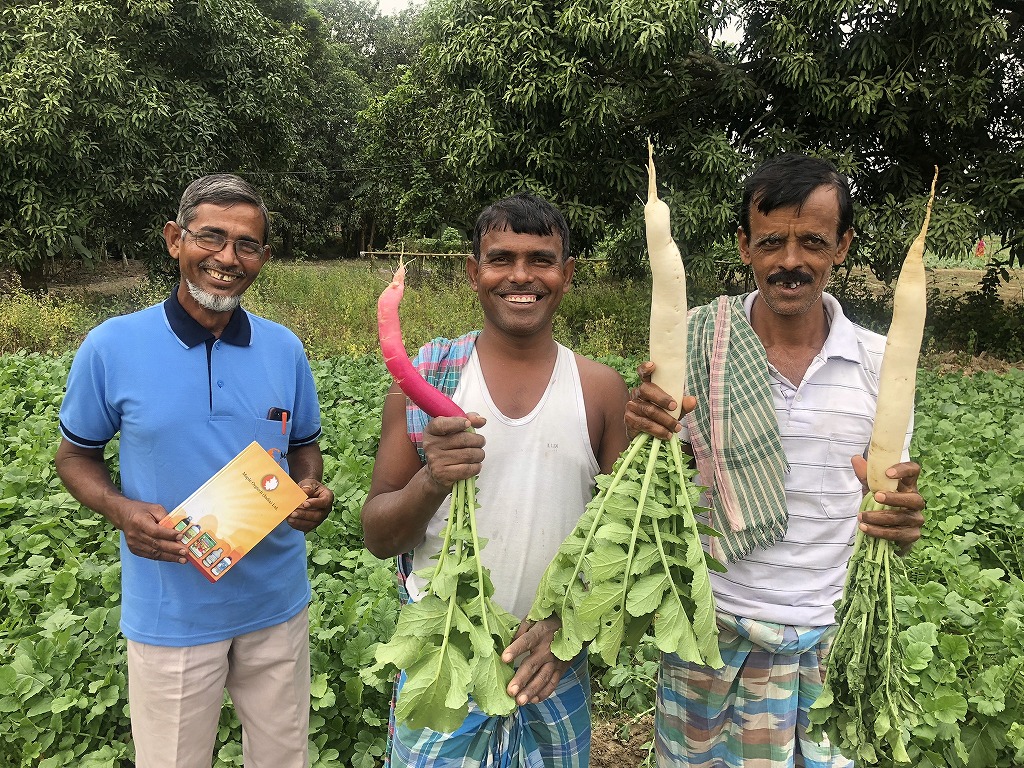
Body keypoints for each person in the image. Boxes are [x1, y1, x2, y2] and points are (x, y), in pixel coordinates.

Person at [625, 154, 927, 767]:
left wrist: (899, 522)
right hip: (712, 633)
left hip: (835, 636)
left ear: (841, 247)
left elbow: (885, 498)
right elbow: (662, 486)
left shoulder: (879, 364)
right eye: (772, 242)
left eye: (812, 241)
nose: (791, 261)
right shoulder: (695, 344)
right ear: (744, 246)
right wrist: (647, 439)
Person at [55, 174, 334, 768]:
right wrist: (121, 509)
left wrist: (309, 489)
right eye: (211, 237)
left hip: (276, 606)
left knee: (285, 759)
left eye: (249, 244)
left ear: (263, 256)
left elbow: (304, 447)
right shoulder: (112, 346)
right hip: (170, 611)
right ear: (175, 239)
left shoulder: (284, 348)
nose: (228, 258)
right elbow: (75, 456)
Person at [361, 192, 630, 767]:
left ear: (567, 273)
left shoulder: (601, 389)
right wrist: (431, 481)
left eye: (541, 259)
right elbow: (379, 536)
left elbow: (620, 550)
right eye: (501, 258)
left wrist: (567, 629)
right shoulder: (429, 375)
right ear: (473, 272)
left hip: (552, 663)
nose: (521, 276)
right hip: (443, 656)